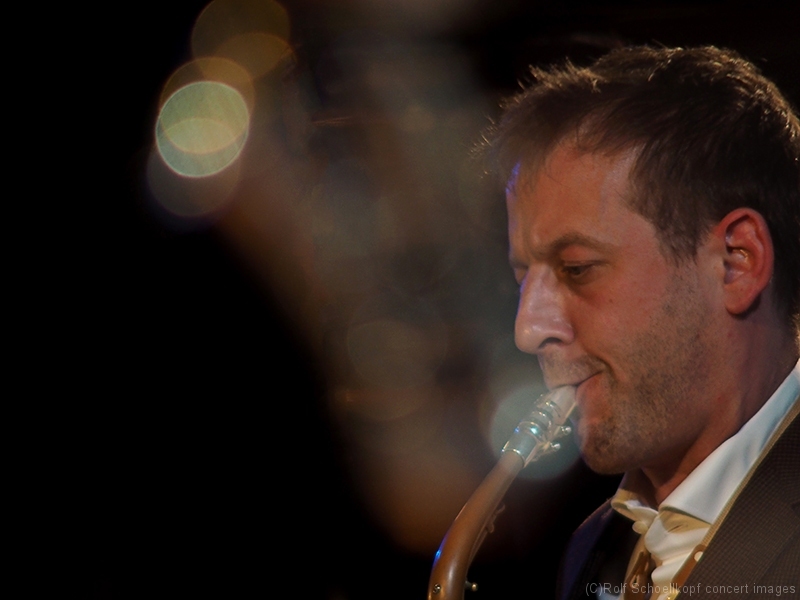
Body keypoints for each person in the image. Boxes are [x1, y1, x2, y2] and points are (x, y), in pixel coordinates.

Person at [487, 46, 800, 600]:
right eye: (522, 279)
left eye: (577, 269)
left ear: (737, 262)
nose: (527, 330)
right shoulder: (593, 547)